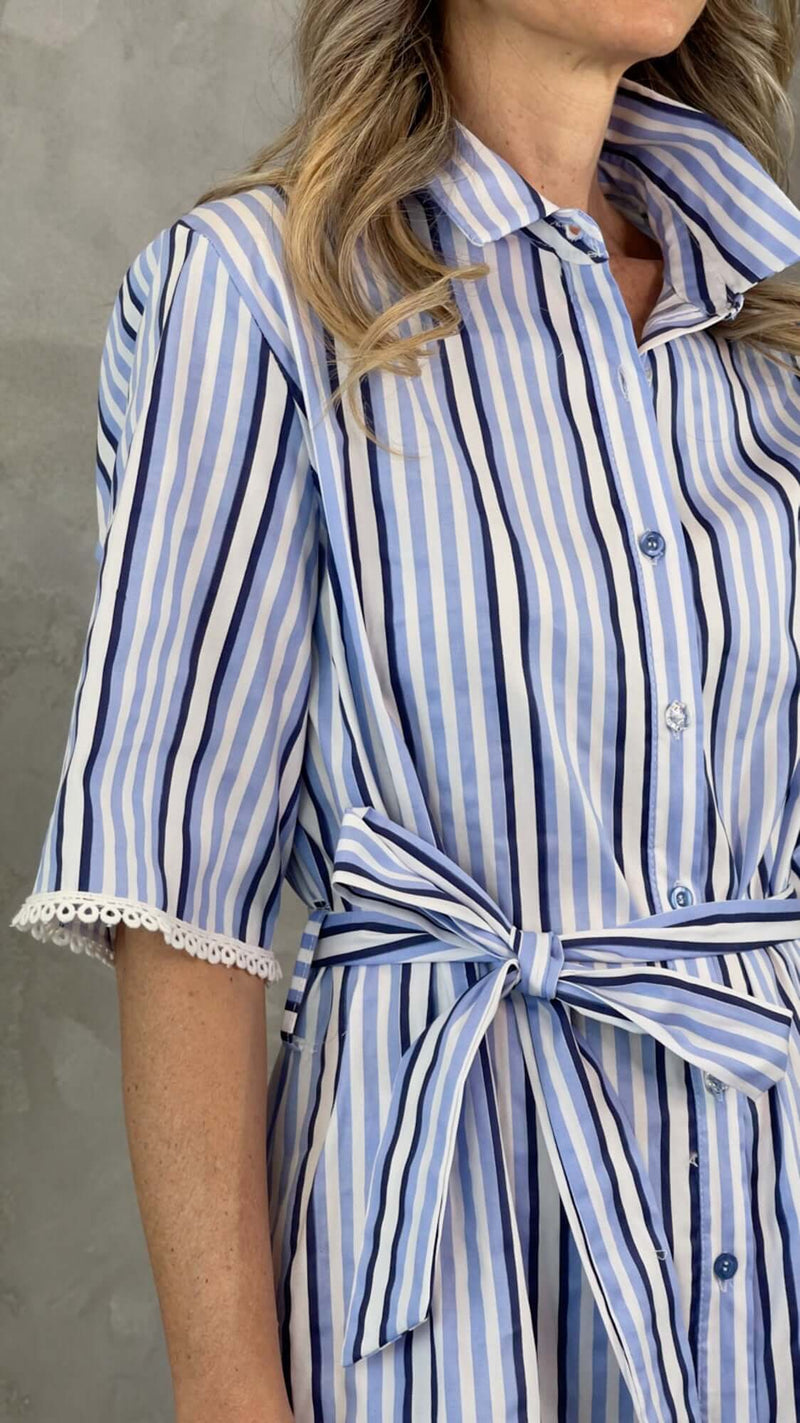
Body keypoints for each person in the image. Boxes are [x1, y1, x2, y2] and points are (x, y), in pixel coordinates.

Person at [11, 0, 800, 1417]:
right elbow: (179, 890)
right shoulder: (258, 293)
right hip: (446, 1253)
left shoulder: (770, 322)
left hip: (770, 1223)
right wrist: (228, 1392)